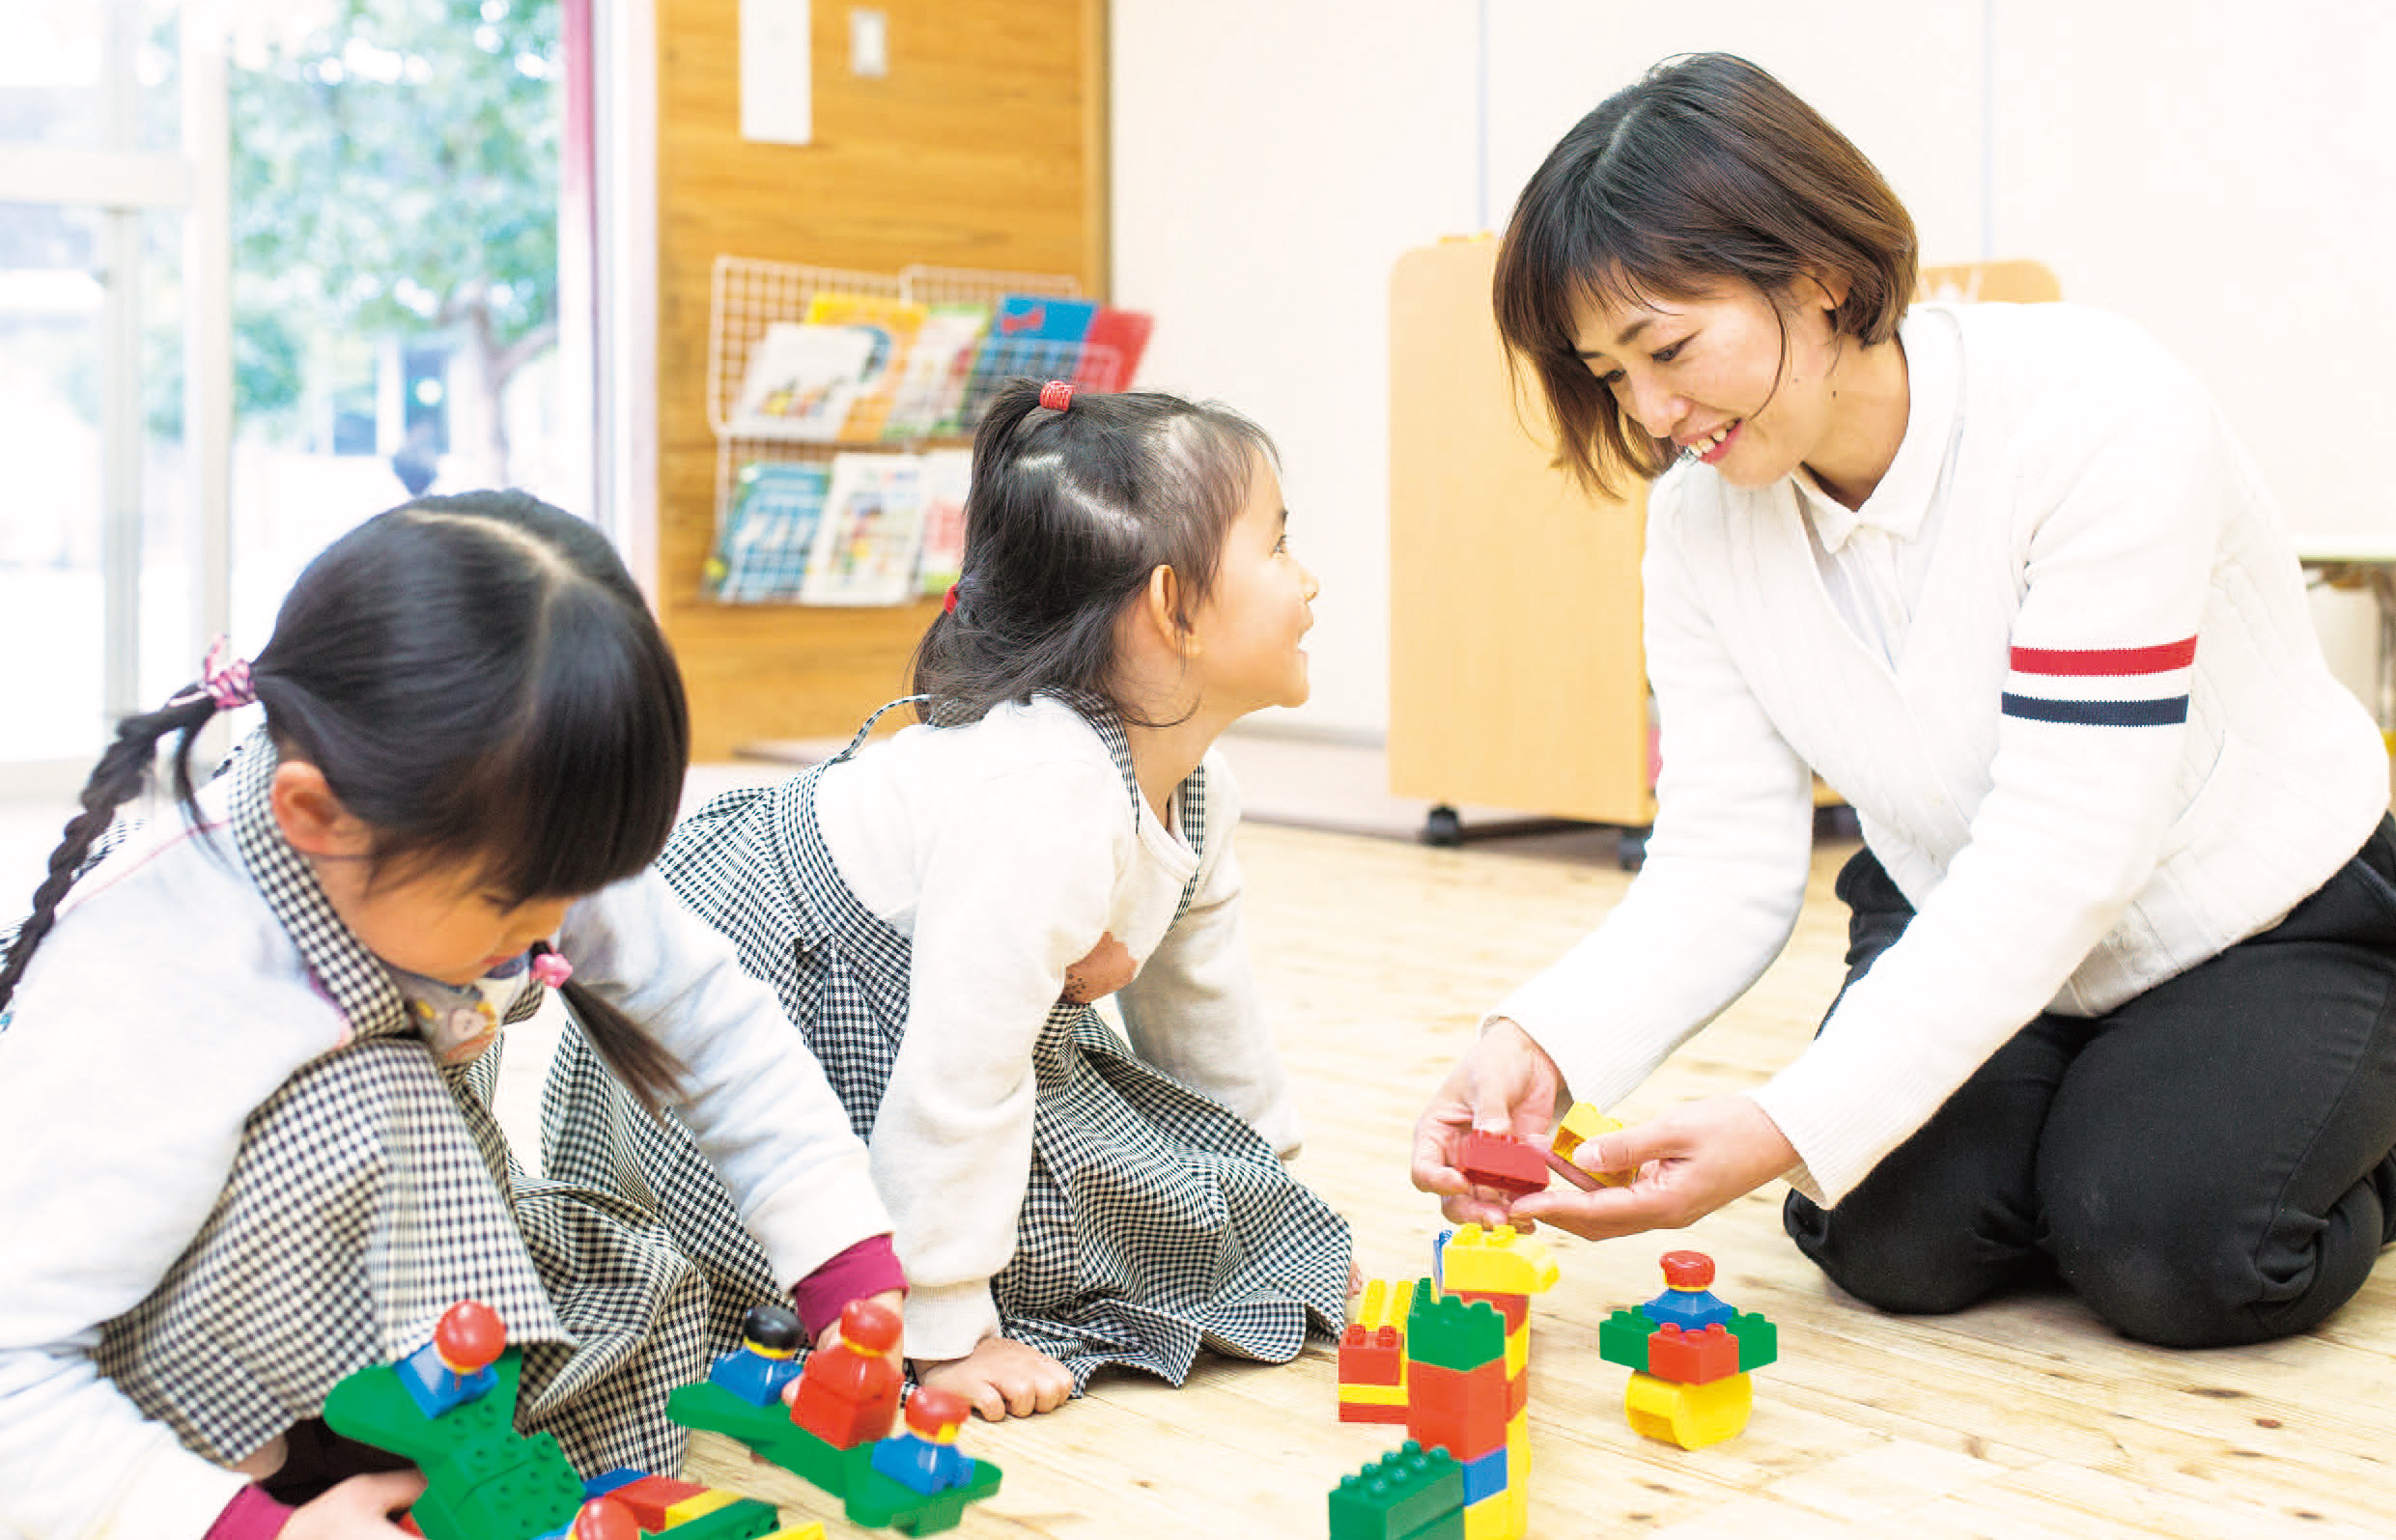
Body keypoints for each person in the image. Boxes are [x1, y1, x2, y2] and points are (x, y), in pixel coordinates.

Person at [1410, 52, 2396, 1349]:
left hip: (2259, 920)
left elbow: (2067, 847)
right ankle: (2111, 1124)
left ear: (1818, 273)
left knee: (2177, 1246)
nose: (1652, 413)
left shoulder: (2098, 412)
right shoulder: (1699, 522)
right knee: (1884, 1236)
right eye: (1607, 375)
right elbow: (1720, 858)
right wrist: (1542, 1038)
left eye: (1667, 347)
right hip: (1965, 915)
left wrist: (1783, 1120)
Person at [0, 490, 902, 1539]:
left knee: (635, 1305)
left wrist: (851, 1281)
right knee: (363, 1096)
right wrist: (248, 1525)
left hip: (347, 1277)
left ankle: (410, 1447)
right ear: (314, 816)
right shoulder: (160, 977)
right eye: (515, 907)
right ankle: (279, 1471)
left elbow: (708, 1015)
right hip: (136, 1365)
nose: (554, 929)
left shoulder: (492, 819)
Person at [547, 378, 1353, 1422]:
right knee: (1018, 1202)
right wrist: (943, 1329)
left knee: (1118, 1187)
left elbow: (1206, 1018)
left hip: (911, 1002)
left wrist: (1270, 1212)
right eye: (1280, 546)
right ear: (1172, 607)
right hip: (776, 979)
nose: (1311, 580)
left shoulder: (1202, 787)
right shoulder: (1045, 795)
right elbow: (958, 1079)